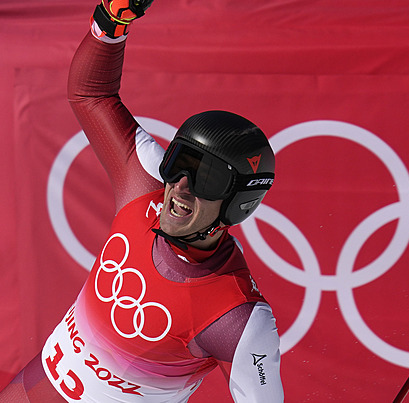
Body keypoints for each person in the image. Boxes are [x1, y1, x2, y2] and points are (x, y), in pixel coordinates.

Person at [0, 0, 283, 402]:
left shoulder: (236, 316)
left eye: (205, 179)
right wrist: (112, 19)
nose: (180, 187)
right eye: (179, 163)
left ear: (237, 204)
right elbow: (91, 95)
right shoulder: (145, 184)